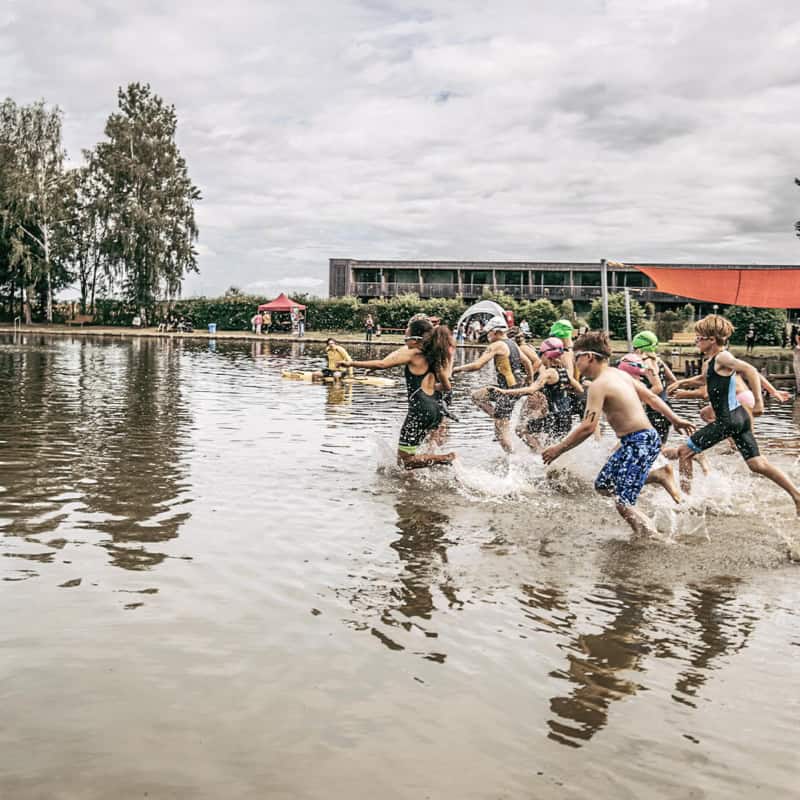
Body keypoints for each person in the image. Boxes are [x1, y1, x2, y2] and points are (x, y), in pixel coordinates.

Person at [542, 331, 694, 538]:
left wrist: (558, 449)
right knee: (603, 485)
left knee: (623, 502)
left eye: (577, 358)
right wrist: (675, 419)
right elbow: (651, 398)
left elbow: (588, 427)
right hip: (638, 440)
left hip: (639, 441)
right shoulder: (619, 374)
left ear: (589, 357)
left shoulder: (599, 385)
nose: (575, 363)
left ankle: (654, 538)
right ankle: (658, 475)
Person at [676, 314, 800, 514]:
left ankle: (685, 504)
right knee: (757, 464)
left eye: (699, 337)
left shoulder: (722, 357)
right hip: (739, 417)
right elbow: (704, 378)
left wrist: (759, 402)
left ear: (711, 339)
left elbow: (750, 370)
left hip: (728, 420)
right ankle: (797, 495)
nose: (696, 341)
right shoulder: (712, 361)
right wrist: (681, 382)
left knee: (684, 452)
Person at [339, 318, 456, 470]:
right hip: (435, 410)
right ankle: (431, 469)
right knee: (414, 452)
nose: (405, 342)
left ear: (415, 340)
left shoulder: (414, 354)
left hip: (420, 410)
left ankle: (445, 458)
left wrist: (351, 363)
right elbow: (447, 386)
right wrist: (432, 387)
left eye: (406, 338)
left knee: (404, 461)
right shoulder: (435, 356)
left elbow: (382, 364)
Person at [452, 316, 534, 453]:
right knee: (477, 396)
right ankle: (498, 417)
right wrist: (529, 382)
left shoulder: (497, 345)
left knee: (500, 433)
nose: (487, 335)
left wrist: (456, 369)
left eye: (489, 332)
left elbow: (477, 365)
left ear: (496, 332)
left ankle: (513, 458)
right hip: (516, 387)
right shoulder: (513, 344)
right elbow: (528, 363)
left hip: (506, 390)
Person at [497, 336, 583, 452]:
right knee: (549, 443)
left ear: (546, 355)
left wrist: (504, 391)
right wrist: (561, 389)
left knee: (520, 430)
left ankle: (541, 456)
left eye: (541, 355)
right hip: (566, 419)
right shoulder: (565, 372)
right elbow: (579, 390)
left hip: (554, 418)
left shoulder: (548, 373)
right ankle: (546, 457)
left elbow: (531, 390)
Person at [630, 330, 679, 445]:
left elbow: (658, 387)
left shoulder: (646, 363)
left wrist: (640, 400)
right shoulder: (658, 360)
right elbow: (674, 381)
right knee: (658, 447)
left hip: (654, 410)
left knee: (633, 440)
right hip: (665, 408)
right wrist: (666, 395)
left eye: (634, 349)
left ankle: (608, 452)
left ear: (639, 349)